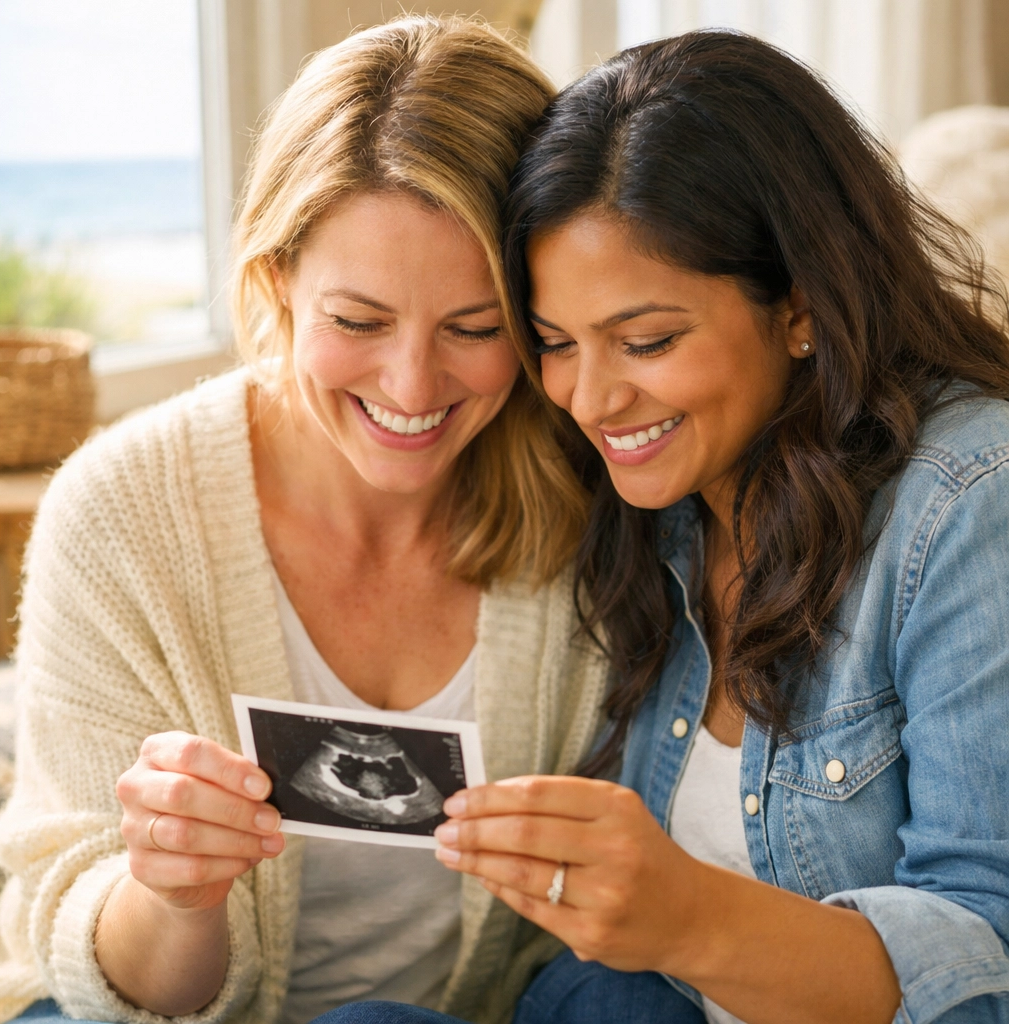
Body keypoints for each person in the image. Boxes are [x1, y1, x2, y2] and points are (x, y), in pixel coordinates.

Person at [327, 29, 1009, 1024]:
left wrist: (688, 917)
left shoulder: (967, 501)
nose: (592, 399)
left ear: (800, 305)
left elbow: (986, 964)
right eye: (555, 343)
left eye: (645, 340)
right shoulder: (652, 499)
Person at [0, 17, 610, 1024]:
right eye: (357, 322)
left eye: (475, 326)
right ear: (276, 285)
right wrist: (171, 893)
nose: (412, 386)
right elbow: (100, 978)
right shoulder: (120, 511)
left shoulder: (590, 503)